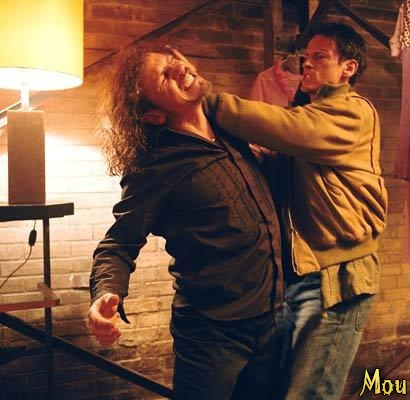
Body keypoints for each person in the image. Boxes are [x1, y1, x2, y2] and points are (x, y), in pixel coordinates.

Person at [88, 45, 286, 400]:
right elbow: (118, 244)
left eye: (173, 60)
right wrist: (105, 293)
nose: (179, 68)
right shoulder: (156, 168)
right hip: (213, 335)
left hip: (273, 318)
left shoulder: (233, 131)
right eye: (165, 75)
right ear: (153, 115)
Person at [205, 22, 388, 400]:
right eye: (306, 57)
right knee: (267, 389)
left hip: (340, 280)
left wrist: (207, 101)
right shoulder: (309, 115)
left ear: (348, 68)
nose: (307, 64)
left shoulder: (352, 112)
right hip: (301, 275)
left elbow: (289, 127)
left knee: (310, 392)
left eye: (320, 57)